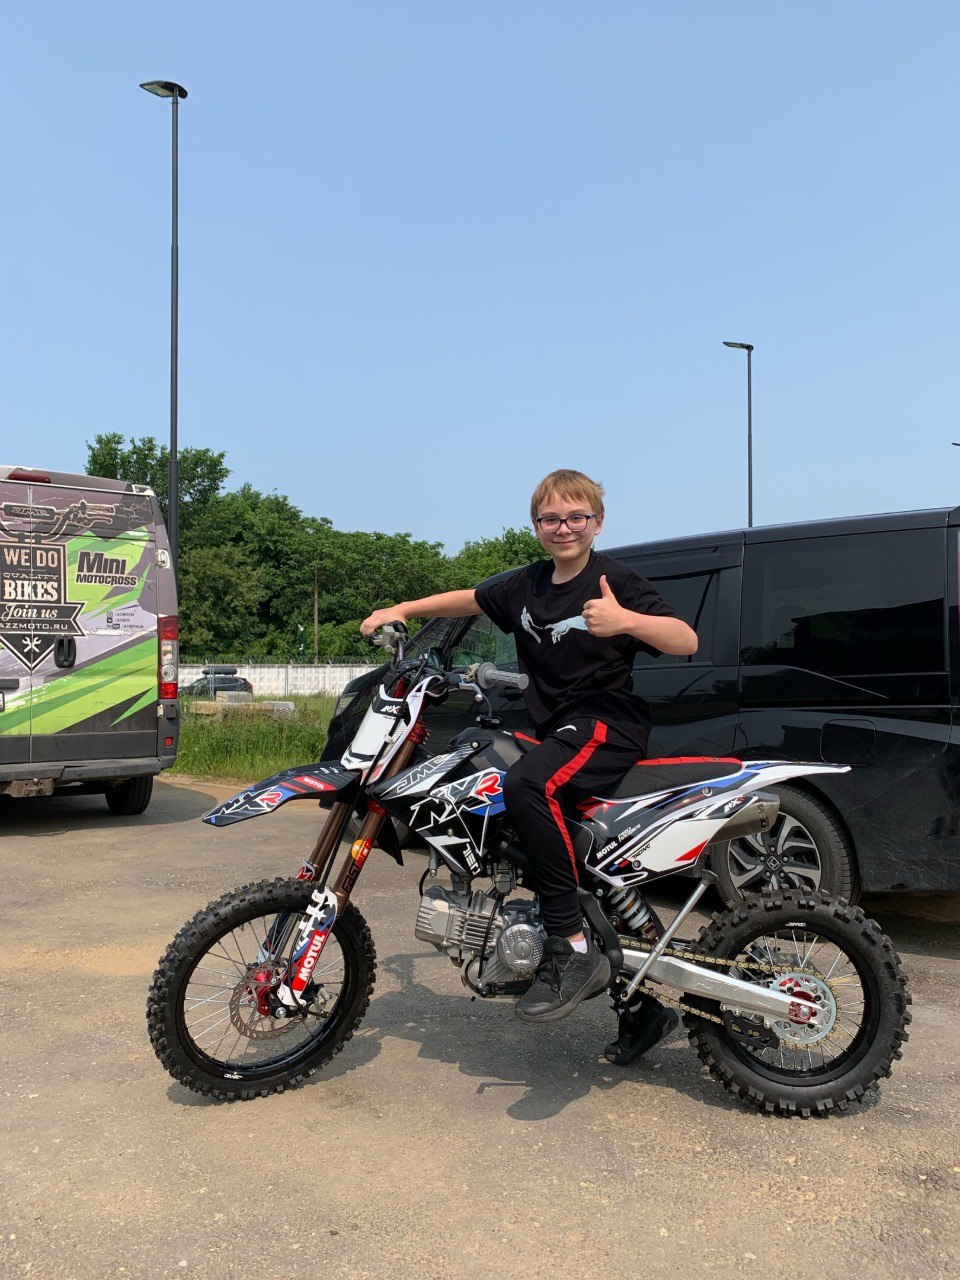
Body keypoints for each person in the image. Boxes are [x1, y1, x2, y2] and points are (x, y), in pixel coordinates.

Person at [361, 469, 698, 1062]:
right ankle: (639, 1007)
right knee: (506, 806)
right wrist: (402, 607)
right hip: (558, 728)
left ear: (597, 522)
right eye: (551, 518)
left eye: (577, 517)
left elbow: (684, 639)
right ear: (536, 525)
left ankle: (572, 946)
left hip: (605, 722)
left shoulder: (615, 581)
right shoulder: (528, 584)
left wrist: (627, 622)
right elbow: (470, 598)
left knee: (527, 785)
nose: (564, 528)